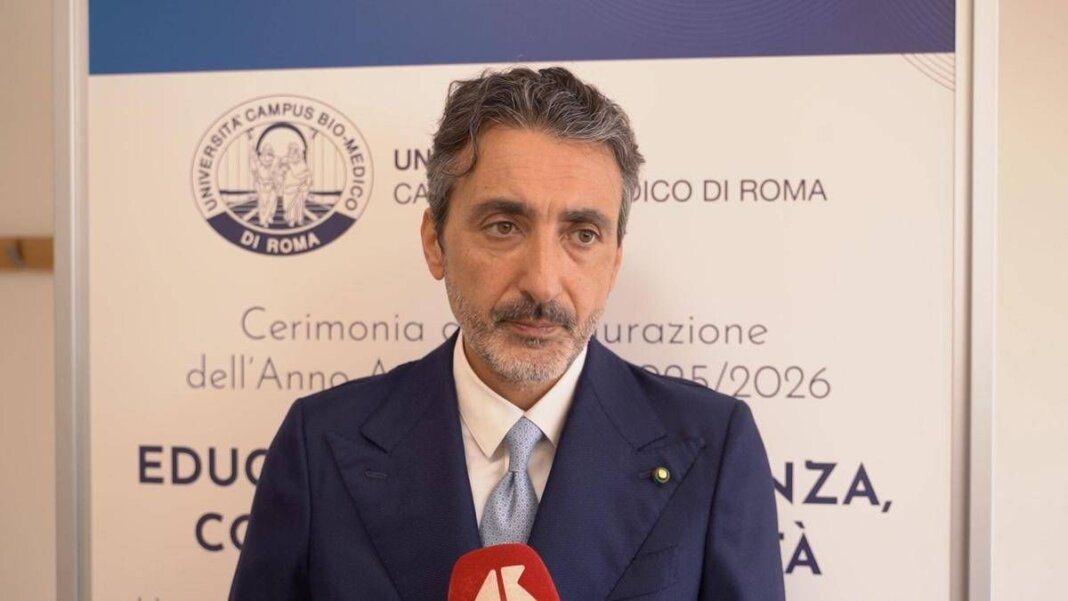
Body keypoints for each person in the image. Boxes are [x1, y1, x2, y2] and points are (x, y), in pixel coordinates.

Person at [230, 66, 785, 600]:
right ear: (435, 242)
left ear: (615, 261)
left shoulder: (714, 447)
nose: (542, 282)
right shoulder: (319, 444)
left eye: (582, 234)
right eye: (504, 227)